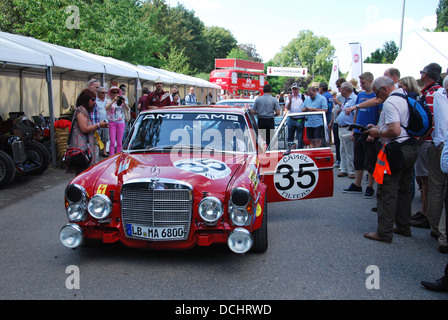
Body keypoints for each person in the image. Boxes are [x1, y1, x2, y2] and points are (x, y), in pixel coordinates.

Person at [364, 77, 418, 243]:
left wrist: (377, 133)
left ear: (383, 89)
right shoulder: (406, 96)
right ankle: (403, 226)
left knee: (387, 191)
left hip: (396, 150)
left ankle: (384, 232)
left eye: (377, 93)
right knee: (404, 190)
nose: (378, 98)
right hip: (410, 146)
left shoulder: (390, 102)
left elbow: (395, 130)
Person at [411, 63, 443, 230]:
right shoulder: (434, 92)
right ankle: (426, 212)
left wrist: (421, 139)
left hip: (429, 141)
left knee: (427, 180)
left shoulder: (432, 94)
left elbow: (431, 121)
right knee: (426, 179)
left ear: (425, 75)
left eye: (421, 72)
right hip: (431, 140)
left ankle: (426, 213)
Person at [343, 72, 382, 198]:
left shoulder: (378, 97)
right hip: (359, 132)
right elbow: (356, 112)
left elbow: (381, 115)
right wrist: (354, 129)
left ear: (371, 81)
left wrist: (374, 132)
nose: (361, 85)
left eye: (363, 82)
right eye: (360, 82)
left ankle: (370, 186)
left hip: (370, 132)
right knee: (358, 159)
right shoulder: (360, 95)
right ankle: (357, 184)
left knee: (370, 160)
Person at [427, 76, 448, 253]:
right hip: (441, 145)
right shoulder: (440, 93)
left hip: (440, 146)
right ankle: (440, 232)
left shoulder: (439, 94)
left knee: (436, 188)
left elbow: (441, 125)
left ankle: (438, 230)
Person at [67, 89, 108, 175]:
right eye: (92, 99)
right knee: (83, 173)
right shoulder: (81, 110)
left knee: (86, 172)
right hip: (81, 147)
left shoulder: (84, 110)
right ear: (85, 98)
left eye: (95, 100)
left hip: (85, 146)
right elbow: (84, 129)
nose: (94, 102)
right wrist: (99, 125)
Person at [336, 82, 357, 178]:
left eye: (341, 89)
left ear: (345, 90)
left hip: (348, 128)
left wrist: (353, 129)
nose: (339, 91)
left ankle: (351, 171)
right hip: (342, 128)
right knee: (343, 150)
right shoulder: (346, 100)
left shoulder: (354, 99)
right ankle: (344, 169)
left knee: (349, 151)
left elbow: (356, 114)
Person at [106, 86, 130, 155]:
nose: (116, 94)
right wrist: (113, 100)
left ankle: (118, 155)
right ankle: (111, 156)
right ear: (111, 93)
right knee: (112, 142)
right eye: (114, 92)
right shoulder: (109, 101)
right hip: (112, 122)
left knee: (119, 142)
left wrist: (124, 103)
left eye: (117, 92)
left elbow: (128, 109)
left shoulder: (122, 100)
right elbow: (106, 108)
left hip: (121, 122)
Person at [285, 83, 305, 148]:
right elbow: (287, 108)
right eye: (293, 89)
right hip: (291, 119)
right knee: (290, 137)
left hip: (300, 118)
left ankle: (300, 149)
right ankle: (291, 149)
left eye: (296, 89)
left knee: (300, 136)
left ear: (298, 89)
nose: (294, 90)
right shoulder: (289, 98)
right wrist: (290, 100)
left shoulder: (303, 97)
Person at [319, 82, 334, 146]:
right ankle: (328, 144)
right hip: (330, 114)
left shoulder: (324, 96)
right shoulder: (330, 95)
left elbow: (325, 107)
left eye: (319, 88)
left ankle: (325, 145)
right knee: (328, 132)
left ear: (321, 88)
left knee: (325, 132)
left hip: (326, 115)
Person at [96, 87, 109, 157]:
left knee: (105, 138)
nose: (104, 94)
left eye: (105, 93)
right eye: (103, 93)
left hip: (106, 121)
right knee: (98, 138)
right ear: (99, 93)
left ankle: (104, 152)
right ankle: (97, 151)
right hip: (98, 122)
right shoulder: (96, 101)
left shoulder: (107, 101)